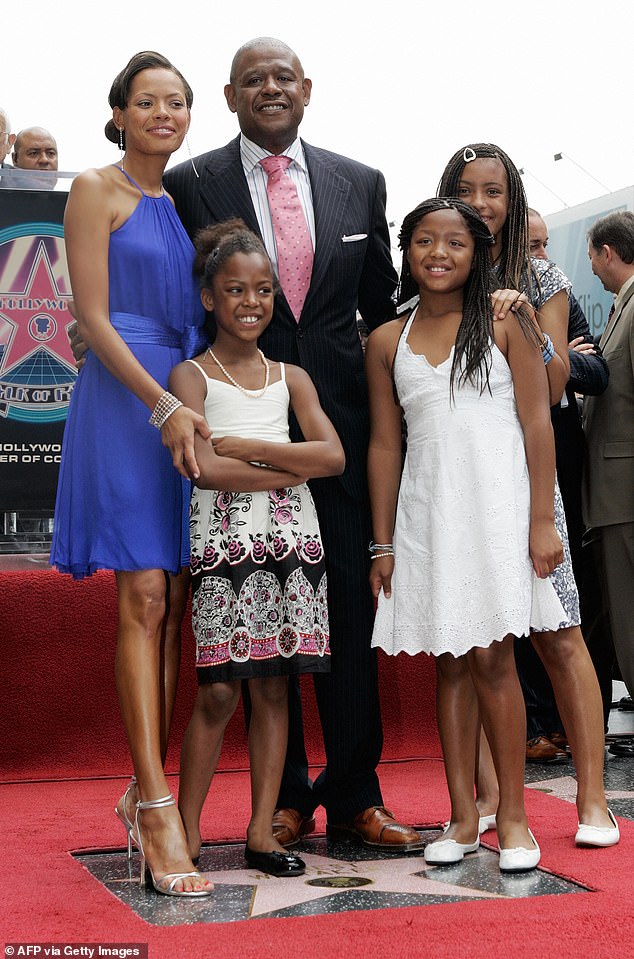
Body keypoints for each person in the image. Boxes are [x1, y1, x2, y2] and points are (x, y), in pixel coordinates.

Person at [163, 37, 422, 852]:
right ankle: (282, 798)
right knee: (270, 640)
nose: (269, 88)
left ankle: (354, 793)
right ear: (231, 94)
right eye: (253, 80)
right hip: (237, 442)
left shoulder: (360, 180)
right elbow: (183, 302)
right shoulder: (189, 182)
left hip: (337, 423)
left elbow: (383, 310)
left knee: (345, 611)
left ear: (306, 89)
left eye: (283, 77)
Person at [50, 51, 212, 897]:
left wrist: (193, 403)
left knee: (176, 599)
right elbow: (91, 319)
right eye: (147, 101)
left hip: (181, 403)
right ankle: (154, 804)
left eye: (176, 101)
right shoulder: (94, 188)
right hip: (126, 403)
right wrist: (161, 404)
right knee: (143, 593)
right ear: (118, 113)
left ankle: (142, 789)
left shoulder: (178, 204)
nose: (163, 112)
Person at [368, 196, 566, 871]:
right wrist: (383, 541)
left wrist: (542, 518)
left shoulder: (506, 320)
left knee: (494, 660)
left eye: (455, 242)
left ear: (479, 252)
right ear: (408, 252)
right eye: (425, 240)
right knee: (447, 663)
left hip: (498, 511)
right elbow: (384, 448)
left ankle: (513, 817)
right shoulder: (386, 340)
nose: (440, 253)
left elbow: (539, 423)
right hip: (427, 515)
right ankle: (460, 815)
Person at [434, 142, 618, 847]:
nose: (480, 203)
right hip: (456, 486)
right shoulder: (432, 267)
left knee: (561, 637)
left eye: (493, 190)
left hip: (527, 482)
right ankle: (481, 800)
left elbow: (551, 390)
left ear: (511, 200)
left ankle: (594, 800)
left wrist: (528, 328)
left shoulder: (539, 273)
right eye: (465, 188)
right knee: (474, 647)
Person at [169, 219, 345, 876]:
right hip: (222, 544)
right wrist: (290, 467)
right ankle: (184, 830)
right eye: (235, 289)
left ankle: (262, 831)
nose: (251, 301)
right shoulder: (190, 376)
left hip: (294, 544)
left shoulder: (290, 375)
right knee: (219, 690)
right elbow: (206, 470)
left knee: (276, 691)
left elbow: (333, 455)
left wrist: (256, 449)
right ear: (209, 297)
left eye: (264, 289)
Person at [515, 208, 610, 762]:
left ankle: (570, 726)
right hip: (497, 458)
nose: (542, 257)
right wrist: (564, 353)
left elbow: (599, 374)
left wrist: (560, 359)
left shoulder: (558, 291)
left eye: (547, 244)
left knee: (560, 593)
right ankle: (535, 723)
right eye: (531, 245)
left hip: (560, 462)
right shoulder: (466, 289)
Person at [583, 211, 634, 751]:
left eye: (594, 257)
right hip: (614, 492)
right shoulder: (625, 306)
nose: (594, 269)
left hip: (626, 491)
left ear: (607, 252)